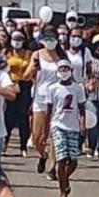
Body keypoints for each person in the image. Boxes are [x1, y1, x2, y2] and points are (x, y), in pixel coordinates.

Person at [41, 58, 87, 197]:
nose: (64, 72)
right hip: (58, 125)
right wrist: (45, 130)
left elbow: (81, 109)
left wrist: (82, 124)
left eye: (66, 69)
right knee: (61, 159)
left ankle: (65, 178)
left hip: (72, 127)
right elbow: (48, 111)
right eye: (61, 69)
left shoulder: (77, 88)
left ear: (71, 71)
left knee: (73, 160)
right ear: (57, 72)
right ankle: (62, 191)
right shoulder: (53, 89)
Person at [24, 27, 66, 176]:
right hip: (40, 99)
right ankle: (43, 155)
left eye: (52, 38)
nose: (50, 41)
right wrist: (34, 69)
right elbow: (26, 76)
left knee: (55, 134)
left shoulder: (62, 57)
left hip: (56, 99)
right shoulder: (37, 55)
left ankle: (52, 167)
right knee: (37, 137)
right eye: (47, 38)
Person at [3, 29, 34, 157]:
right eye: (14, 39)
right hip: (10, 83)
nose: (17, 42)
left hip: (25, 85)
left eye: (20, 39)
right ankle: (5, 141)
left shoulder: (29, 54)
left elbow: (33, 69)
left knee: (23, 116)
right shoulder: (6, 53)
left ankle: (23, 146)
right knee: (8, 115)